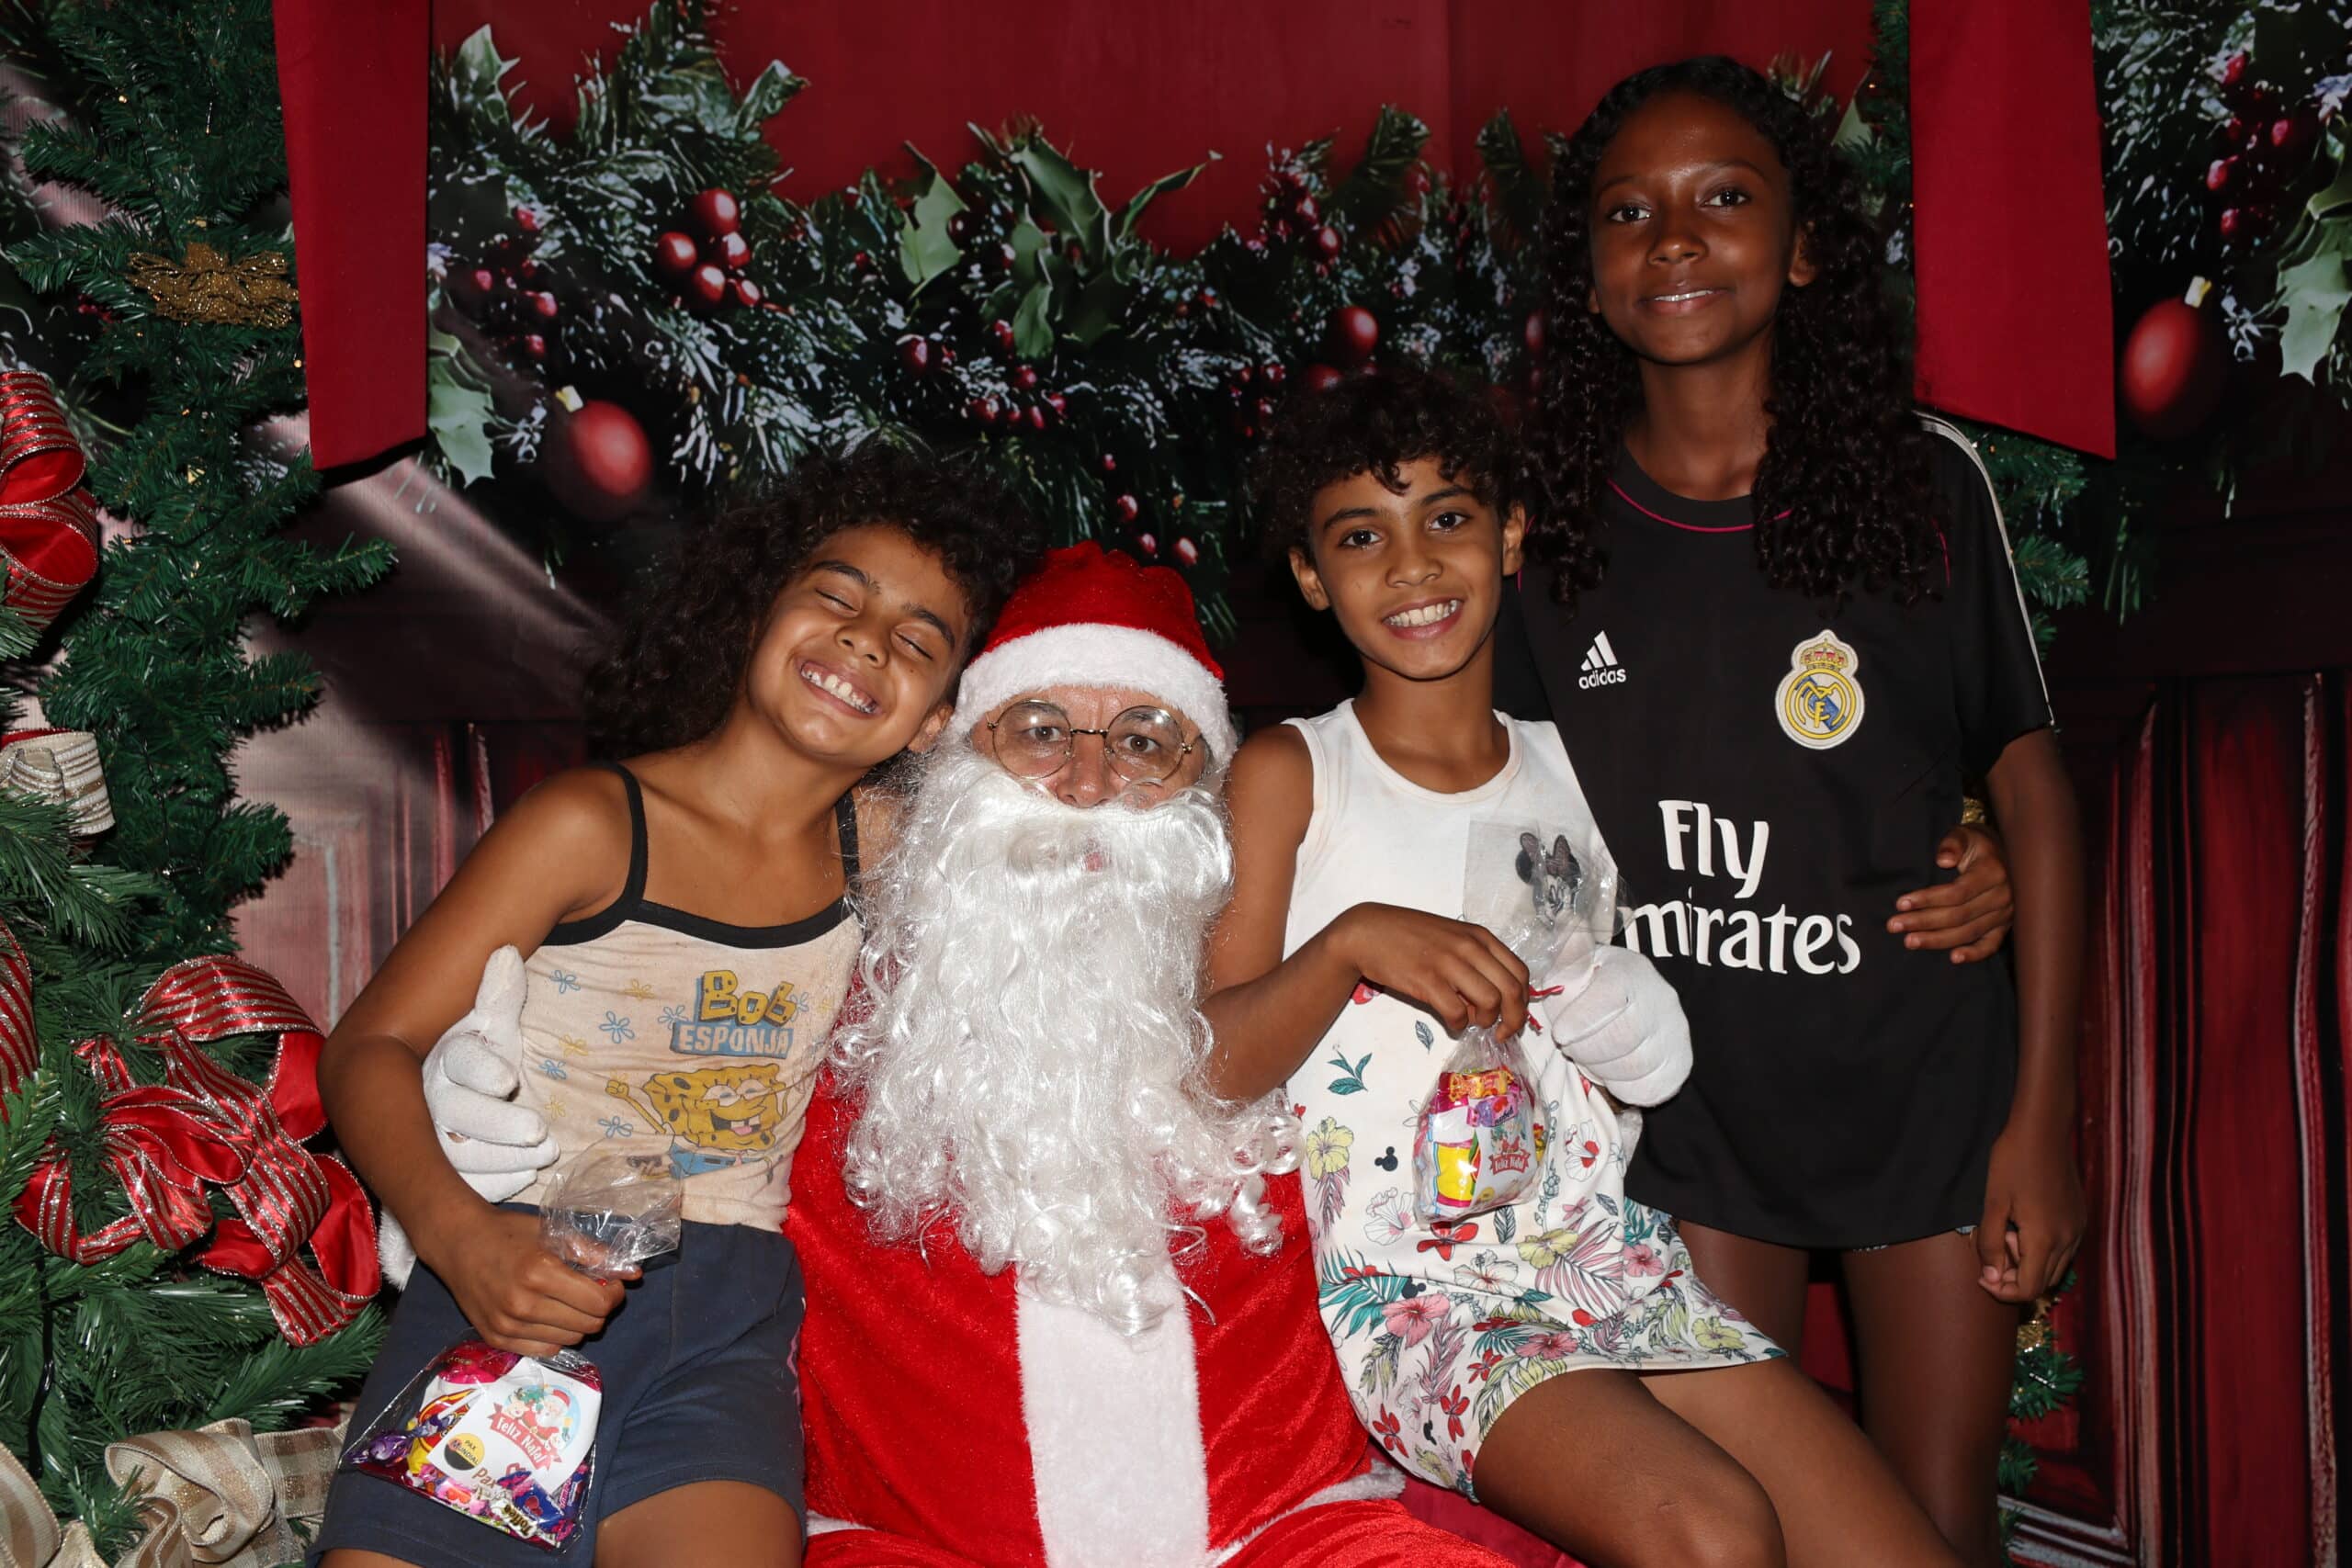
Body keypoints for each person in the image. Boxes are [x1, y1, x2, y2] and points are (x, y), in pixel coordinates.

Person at [420, 542, 1513, 1568]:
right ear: (953, 752)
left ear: (1202, 789)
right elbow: (664, 1040)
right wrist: (481, 1114)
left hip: (1275, 1534)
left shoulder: (1273, 987)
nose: (1086, 784)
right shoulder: (838, 973)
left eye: (1143, 741)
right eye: (1038, 730)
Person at [1204, 368, 1965, 1568]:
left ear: (1510, 535)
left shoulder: (1581, 762)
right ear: (1310, 575)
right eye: (1360, 536)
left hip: (1611, 1259)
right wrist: (1351, 941)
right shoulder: (1293, 773)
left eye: (1447, 516)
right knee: (1714, 1530)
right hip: (1419, 1298)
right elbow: (1208, 1064)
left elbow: (1766, 852)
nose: (1412, 564)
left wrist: (1975, 854)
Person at [1505, 56, 2087, 1566]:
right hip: (1693, 1116)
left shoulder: (1920, 487)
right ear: (1587, 272)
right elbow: (1490, 799)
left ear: (1806, 242)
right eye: (1628, 211)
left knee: (1936, 1525)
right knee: (1737, 1522)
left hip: (1924, 1092)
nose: (1674, 238)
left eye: (1723, 197)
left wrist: (2044, 1121)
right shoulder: (1542, 527)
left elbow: (2032, 784)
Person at [311, 446, 1032, 1568]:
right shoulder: (591, 825)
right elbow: (370, 1045)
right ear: (759, 612)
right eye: (837, 596)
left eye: (915, 639)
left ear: (934, 720)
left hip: (722, 1331)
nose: (864, 640)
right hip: (521, 1288)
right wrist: (462, 1238)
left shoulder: (889, 856)